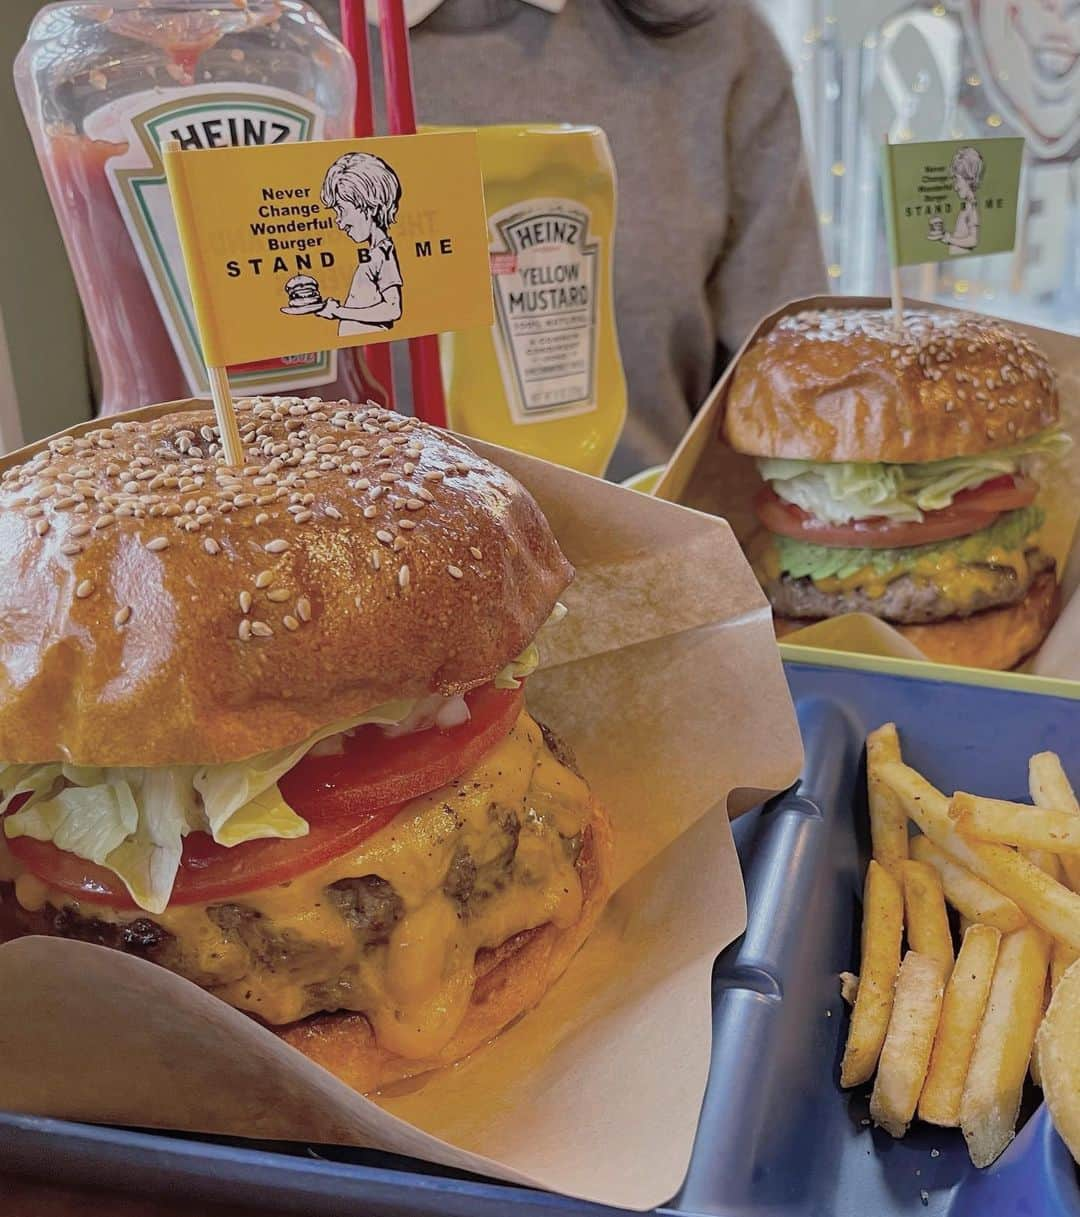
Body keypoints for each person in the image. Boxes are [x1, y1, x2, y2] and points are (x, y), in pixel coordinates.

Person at [317, 0, 827, 478]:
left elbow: (795, 400)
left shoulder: (715, 33)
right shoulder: (265, 51)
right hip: (349, 559)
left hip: (653, 555)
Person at [316, 151, 405, 333]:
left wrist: (338, 311)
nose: (339, 222)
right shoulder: (373, 253)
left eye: (342, 210)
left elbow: (393, 309)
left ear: (370, 206)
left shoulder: (383, 253)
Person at [927, 145, 983, 255]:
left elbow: (973, 241)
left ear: (969, 179)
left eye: (957, 180)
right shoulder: (967, 205)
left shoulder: (972, 206)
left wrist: (949, 239)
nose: (955, 187)